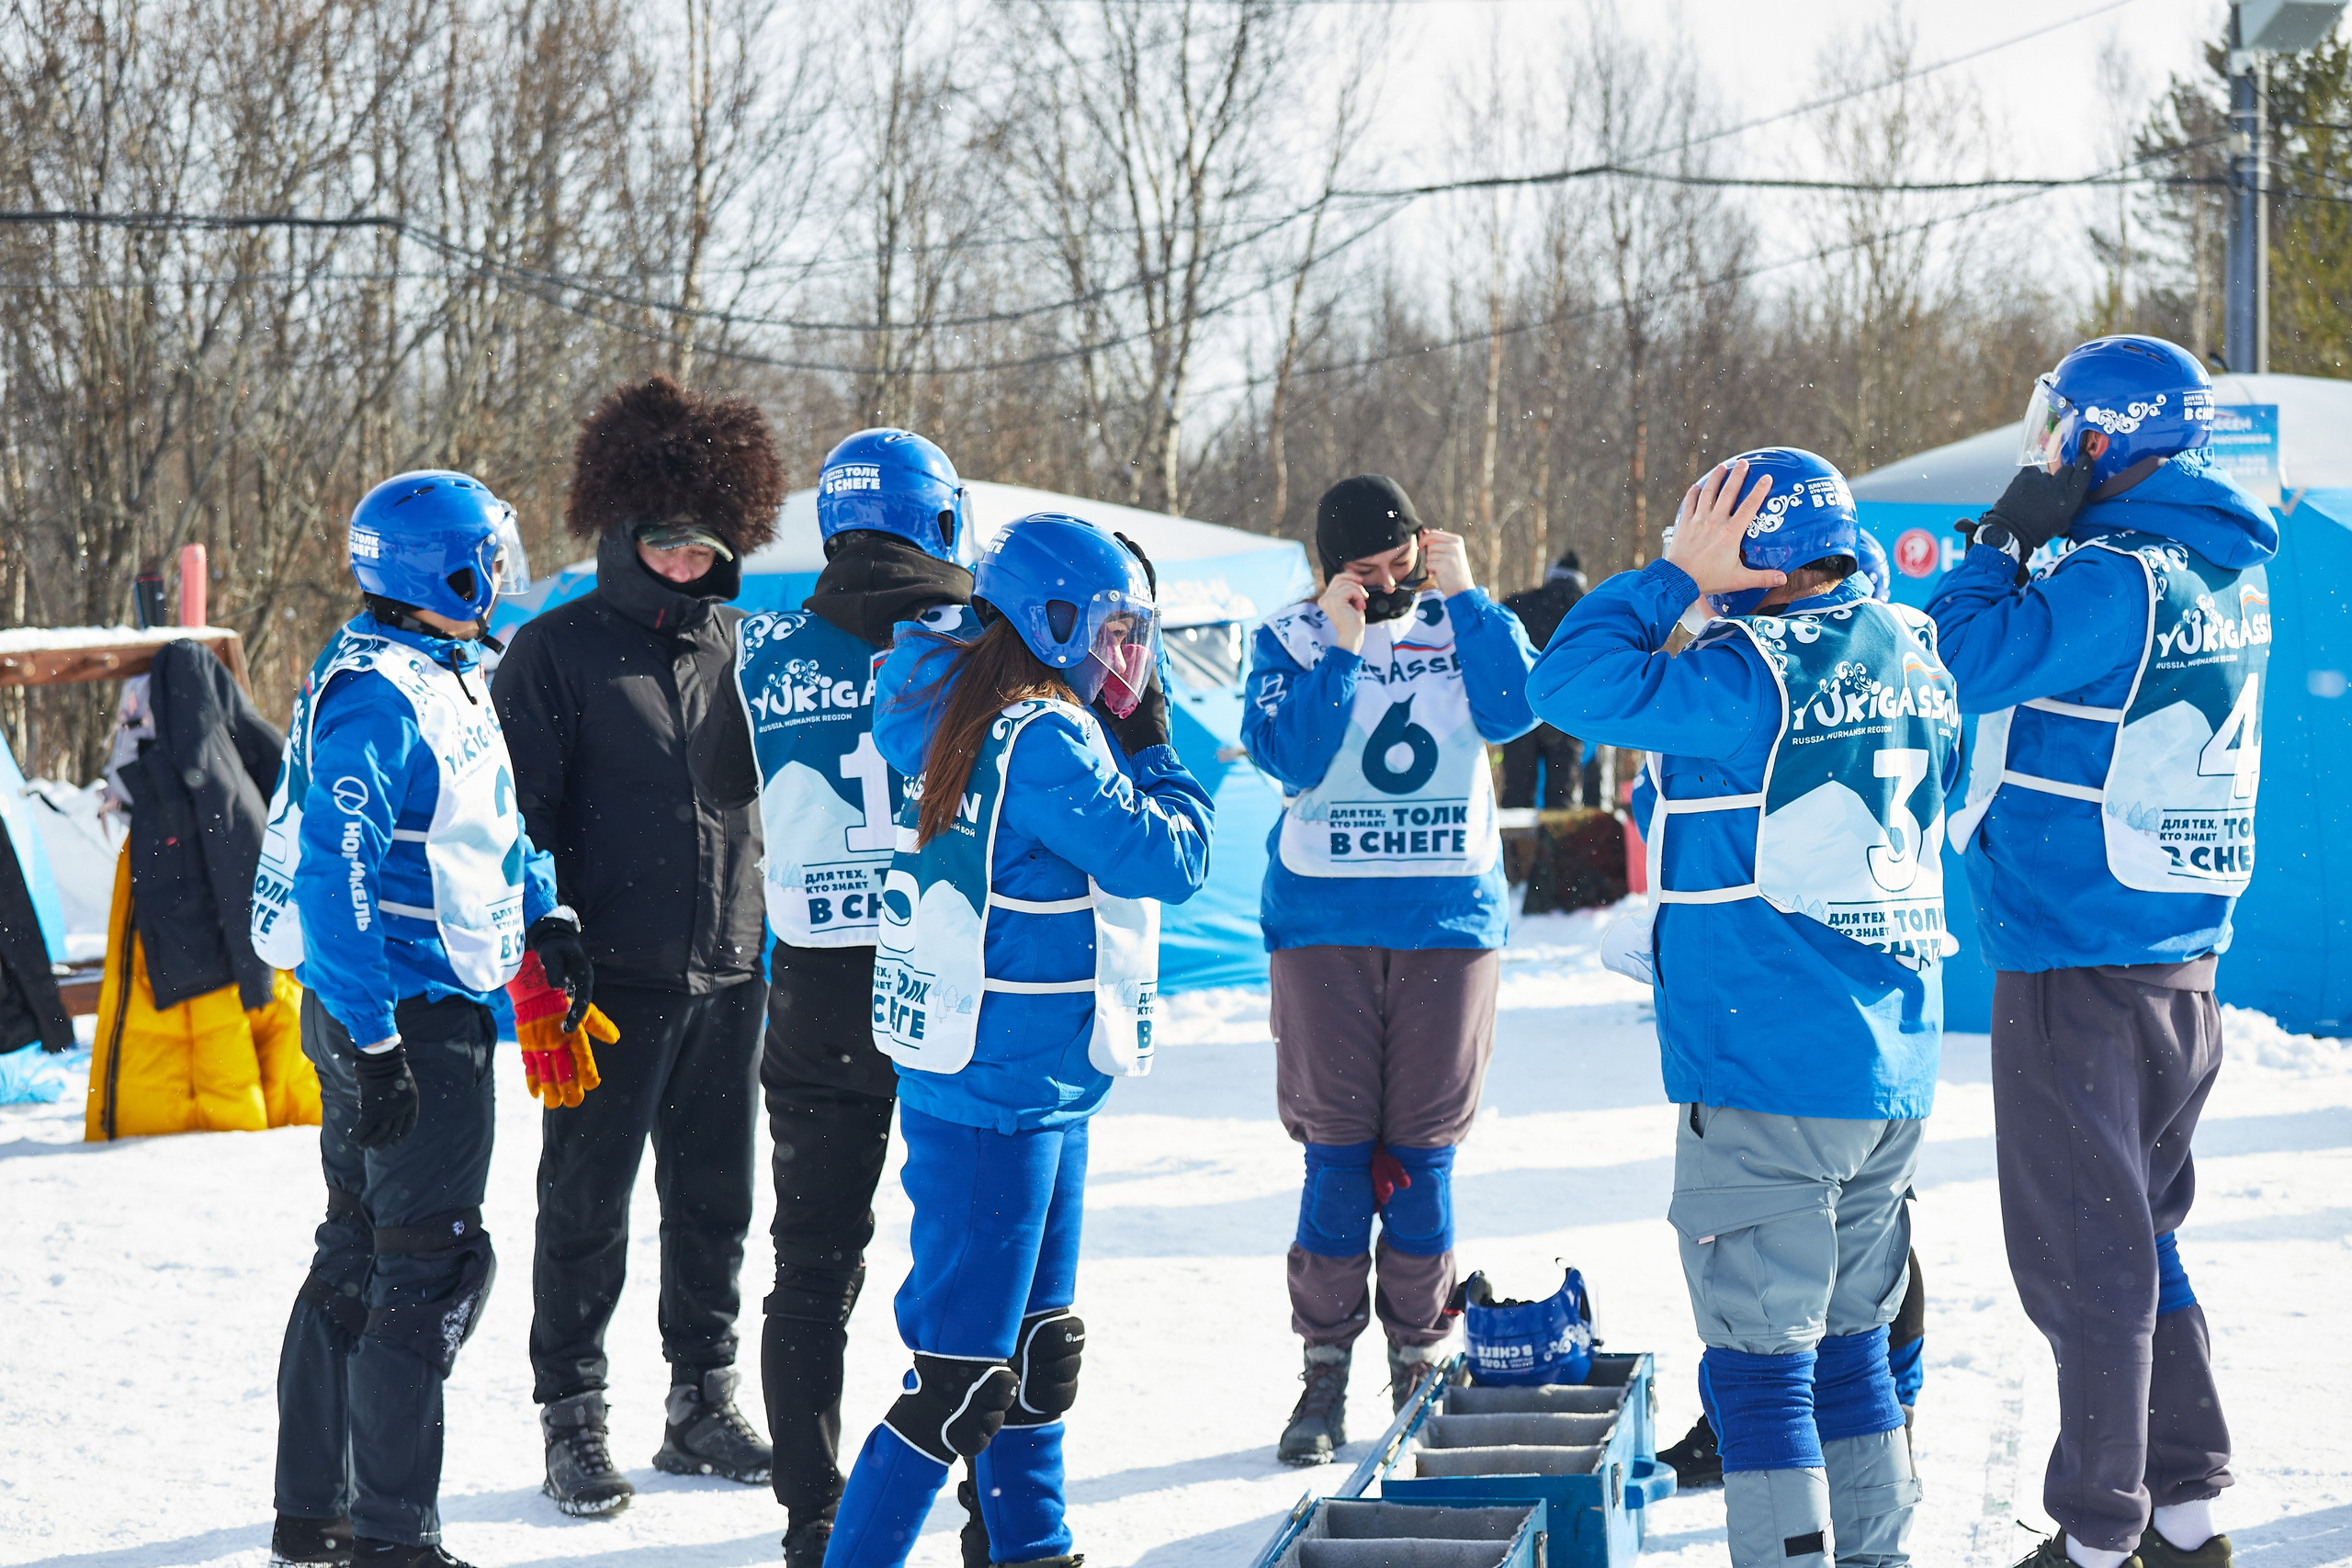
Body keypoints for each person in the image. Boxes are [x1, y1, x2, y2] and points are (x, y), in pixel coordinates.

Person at [1532, 449, 1962, 1568]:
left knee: (1759, 1364)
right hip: (1888, 1066)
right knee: (1855, 1345)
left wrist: (1671, 577)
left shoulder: (1743, 675)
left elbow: (1561, 688)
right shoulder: (1913, 653)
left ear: (1749, 554)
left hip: (1768, 1061)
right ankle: (1875, 1553)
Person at [1928, 335, 2271, 1568]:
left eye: (2055, 425)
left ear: (2100, 437)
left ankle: (2094, 1533)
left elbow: (1960, 652)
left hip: (2080, 957)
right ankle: (2187, 1506)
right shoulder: (2222, 563)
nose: (2041, 442)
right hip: (2175, 954)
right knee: (2144, 1233)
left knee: (2086, 1262)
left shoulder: (2115, 574)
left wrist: (2008, 533)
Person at [827, 513, 1214, 1568]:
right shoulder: (1040, 731)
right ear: (1046, 623)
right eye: (1112, 631)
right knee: (959, 1382)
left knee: (1040, 1354)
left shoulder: (984, 698)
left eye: (1138, 634)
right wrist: (1158, 750)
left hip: (1038, 1071)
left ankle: (1031, 1548)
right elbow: (1170, 859)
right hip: (998, 1089)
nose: (1128, 658)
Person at [253, 471, 579, 1568]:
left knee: (359, 1248)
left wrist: (549, 910)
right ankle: (390, 1534)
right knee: (423, 1265)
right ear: (438, 569)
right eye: (488, 559)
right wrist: (378, 1038)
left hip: (418, 1005)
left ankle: (319, 1513)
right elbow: (335, 873)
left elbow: (485, 819)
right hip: (401, 1016)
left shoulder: (442, 670)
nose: (500, 577)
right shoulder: (379, 695)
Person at [490, 375, 786, 1515]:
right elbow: (519, 820)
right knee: (585, 1203)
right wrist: (544, 933)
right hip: (602, 985)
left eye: (703, 544)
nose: (683, 562)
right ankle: (572, 1416)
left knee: (715, 1201)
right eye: (663, 541)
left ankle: (700, 1403)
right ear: (621, 526)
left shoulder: (738, 648)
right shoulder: (552, 653)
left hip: (730, 968)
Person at [1243, 474, 1539, 1465]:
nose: (1384, 584)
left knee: (1422, 1148)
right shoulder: (1288, 635)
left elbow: (1511, 716)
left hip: (1447, 918)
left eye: (1397, 562)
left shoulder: (1463, 619)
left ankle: (1417, 1351)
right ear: (1328, 572)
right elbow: (1291, 754)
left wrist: (1471, 601)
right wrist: (1342, 644)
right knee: (1334, 1149)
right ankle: (1322, 1365)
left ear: (1424, 541)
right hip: (1322, 917)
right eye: (1359, 574)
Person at [735, 429, 978, 1564]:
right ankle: (996, 1502)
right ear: (939, 518)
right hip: (957, 973)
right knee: (980, 1252)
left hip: (823, 989)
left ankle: (811, 1509)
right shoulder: (987, 637)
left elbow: (713, 784)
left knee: (813, 1262)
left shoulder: (769, 650)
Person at [1499, 549, 1597, 809]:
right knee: (1562, 795)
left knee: (1517, 792)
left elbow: (1498, 647)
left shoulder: (1520, 604)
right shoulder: (1590, 611)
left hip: (1522, 707)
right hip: (1566, 714)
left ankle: (1515, 847)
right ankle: (1560, 848)